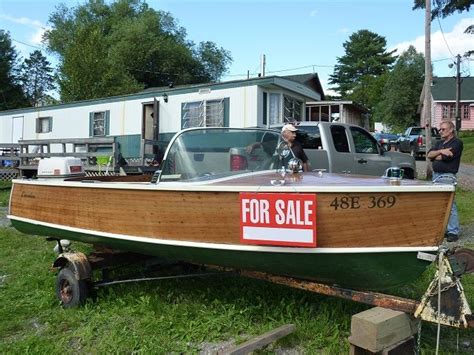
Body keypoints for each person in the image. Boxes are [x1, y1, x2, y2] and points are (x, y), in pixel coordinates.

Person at [427, 120, 463, 242]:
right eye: (440, 129)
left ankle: (453, 231)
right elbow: (429, 155)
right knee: (438, 204)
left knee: (449, 204)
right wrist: (441, 151)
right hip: (436, 176)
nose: (440, 131)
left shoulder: (457, 143)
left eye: (443, 129)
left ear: (451, 129)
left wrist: (437, 155)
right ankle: (445, 229)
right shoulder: (439, 143)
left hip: (447, 176)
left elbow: (447, 158)